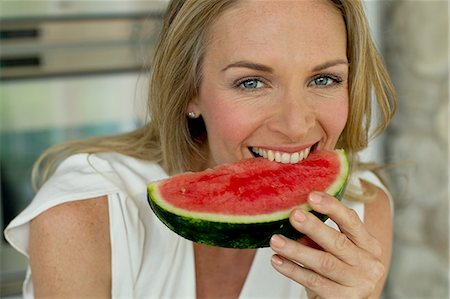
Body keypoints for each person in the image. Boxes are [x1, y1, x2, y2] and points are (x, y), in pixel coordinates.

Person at [5, 0, 397, 298]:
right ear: (190, 91)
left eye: (324, 79)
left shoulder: (362, 215)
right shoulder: (88, 215)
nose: (296, 124)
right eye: (251, 83)